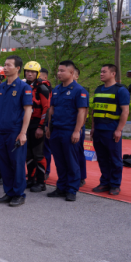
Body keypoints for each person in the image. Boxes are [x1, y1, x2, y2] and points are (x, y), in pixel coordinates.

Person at [0, 56, 34, 207]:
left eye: (9, 65)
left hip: (15, 131)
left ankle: (18, 194)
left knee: (16, 163)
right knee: (3, 164)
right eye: (4, 65)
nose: (5, 67)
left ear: (17, 68)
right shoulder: (1, 87)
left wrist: (23, 132)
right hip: (1, 131)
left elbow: (27, 110)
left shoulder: (24, 88)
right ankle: (8, 192)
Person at [46, 61, 89, 201]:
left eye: (62, 71)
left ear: (71, 73)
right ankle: (61, 187)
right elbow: (51, 110)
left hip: (70, 131)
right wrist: (48, 127)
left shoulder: (79, 91)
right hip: (56, 130)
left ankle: (72, 189)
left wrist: (77, 131)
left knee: (71, 161)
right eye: (58, 70)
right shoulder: (56, 90)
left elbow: (82, 112)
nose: (59, 73)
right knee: (59, 161)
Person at [91, 64, 130, 196]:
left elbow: (125, 111)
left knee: (115, 159)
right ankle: (105, 182)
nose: (101, 74)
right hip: (98, 130)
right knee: (102, 158)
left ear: (113, 74)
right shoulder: (98, 89)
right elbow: (94, 111)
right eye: (101, 72)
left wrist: (119, 129)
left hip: (112, 131)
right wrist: (93, 128)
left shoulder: (121, 90)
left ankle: (115, 184)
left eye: (104, 72)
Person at [24, 61, 50, 192]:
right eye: (27, 71)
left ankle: (41, 182)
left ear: (38, 73)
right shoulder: (25, 86)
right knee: (28, 153)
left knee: (38, 154)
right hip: (26, 124)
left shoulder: (42, 88)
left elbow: (46, 108)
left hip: (36, 123)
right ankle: (31, 179)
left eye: (32, 72)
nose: (29, 74)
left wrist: (41, 127)